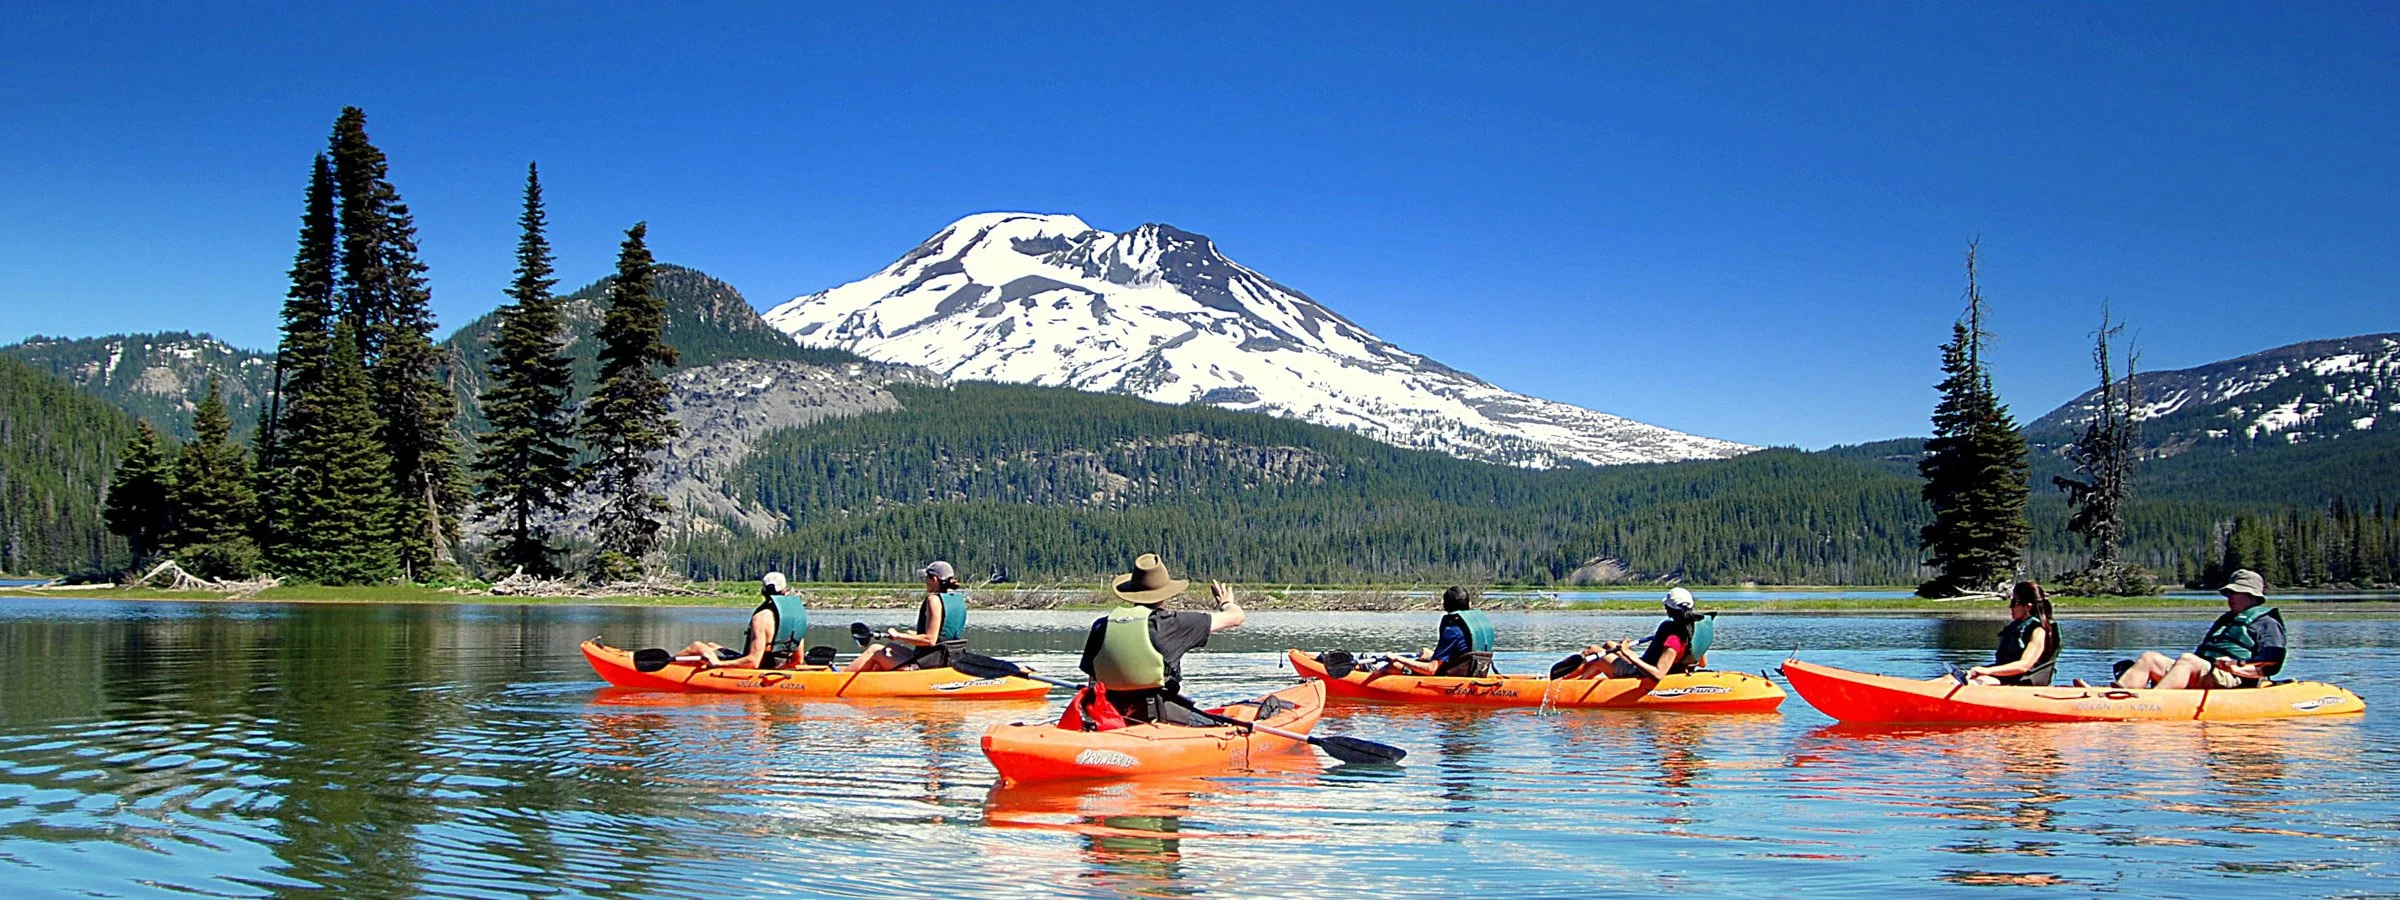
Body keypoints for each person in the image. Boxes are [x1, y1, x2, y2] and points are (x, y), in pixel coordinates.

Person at [1078, 553, 1245, 725]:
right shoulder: (1171, 624)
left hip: (1109, 715)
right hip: (1157, 716)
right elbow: (1236, 617)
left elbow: (1093, 681)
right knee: (1225, 725)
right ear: (1165, 594)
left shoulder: (1102, 625)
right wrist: (1226, 603)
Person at [2114, 569, 2285, 690]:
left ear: (2252, 596)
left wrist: (2236, 668)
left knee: (2188, 660)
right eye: (2229, 593)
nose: (2230, 597)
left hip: (2235, 679)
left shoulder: (2267, 623)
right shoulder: (2226, 619)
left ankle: (2153, 702)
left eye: (2236, 593)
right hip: (2208, 673)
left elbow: (2272, 665)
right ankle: (2115, 696)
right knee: (2150, 658)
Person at [847, 561, 970, 672]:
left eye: (927, 577)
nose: (925, 581)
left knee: (875, 650)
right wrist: (912, 635)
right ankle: (871, 682)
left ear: (934, 579)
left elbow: (930, 640)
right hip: (944, 658)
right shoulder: (957, 600)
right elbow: (942, 635)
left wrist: (898, 635)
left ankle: (837, 680)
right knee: (890, 647)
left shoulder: (934, 600)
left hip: (929, 664)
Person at [1564, 587, 1709, 680]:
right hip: (1659, 666)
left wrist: (1627, 653)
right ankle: (1580, 682)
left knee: (1592, 651)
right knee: (1609, 645)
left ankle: (1565, 681)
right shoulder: (1692, 629)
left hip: (1638, 673)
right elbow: (1702, 663)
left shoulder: (1673, 639)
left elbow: (1658, 674)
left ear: (1669, 609)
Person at [679, 572, 806, 670]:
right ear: (784, 591)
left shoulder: (762, 618)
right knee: (712, 645)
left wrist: (718, 664)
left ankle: (664, 669)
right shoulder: (795, 617)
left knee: (696, 646)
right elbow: (798, 660)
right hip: (779, 665)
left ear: (763, 591)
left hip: (760, 668)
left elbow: (753, 662)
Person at [1383, 586, 1496, 677]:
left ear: (1445, 606)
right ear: (1469, 605)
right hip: (1475, 673)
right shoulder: (1475, 626)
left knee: (1395, 666)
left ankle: (1369, 675)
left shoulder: (1452, 630)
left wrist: (1397, 658)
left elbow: (1431, 670)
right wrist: (1432, 656)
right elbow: (1462, 656)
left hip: (1455, 680)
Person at [1965, 581, 2060, 686]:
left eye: (2015, 602)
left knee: (1977, 682)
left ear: (2028, 606)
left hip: (2022, 680)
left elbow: (2024, 665)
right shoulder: (2017, 626)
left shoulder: (2039, 631)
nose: (2010, 607)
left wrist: (1988, 671)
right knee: (1953, 678)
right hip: (2007, 677)